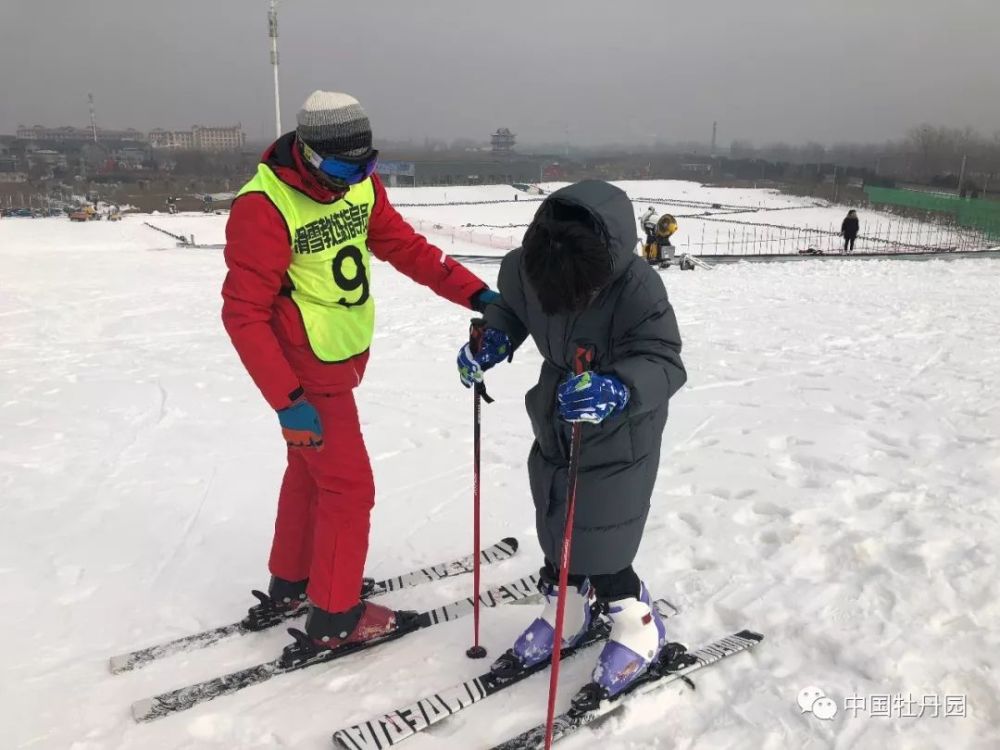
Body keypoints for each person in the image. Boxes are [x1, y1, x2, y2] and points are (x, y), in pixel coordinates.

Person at [222, 91, 497, 651]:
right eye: (345, 168)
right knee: (349, 487)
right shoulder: (265, 205)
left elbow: (402, 245)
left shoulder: (360, 186)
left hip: (342, 354)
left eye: (366, 165)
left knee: (310, 473)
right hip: (303, 366)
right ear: (309, 153)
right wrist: (286, 399)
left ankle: (293, 583)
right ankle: (336, 617)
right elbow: (243, 314)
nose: (356, 178)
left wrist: (475, 294)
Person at [456, 180, 686, 700]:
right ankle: (567, 603)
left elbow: (664, 359)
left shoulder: (636, 285)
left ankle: (636, 621)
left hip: (624, 416)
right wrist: (495, 339)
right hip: (558, 406)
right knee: (555, 508)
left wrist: (620, 387)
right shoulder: (523, 266)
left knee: (603, 523)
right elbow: (513, 310)